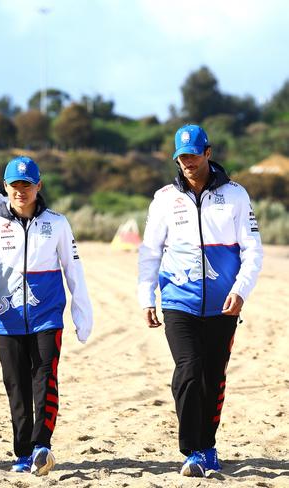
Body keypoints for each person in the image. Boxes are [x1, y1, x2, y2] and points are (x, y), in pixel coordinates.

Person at [138, 124, 263, 477]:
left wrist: (240, 290)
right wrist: (146, 295)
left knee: (212, 377)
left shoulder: (236, 195)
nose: (187, 162)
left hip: (224, 304)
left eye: (193, 155)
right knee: (188, 371)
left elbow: (252, 250)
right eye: (181, 157)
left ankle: (206, 446)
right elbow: (149, 252)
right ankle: (191, 448)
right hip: (179, 300)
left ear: (208, 153)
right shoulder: (164, 198)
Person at [0, 156, 93, 476]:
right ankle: (22, 451)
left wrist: (82, 314)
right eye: (15, 185)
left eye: (27, 185)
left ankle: (42, 445)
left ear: (39, 186)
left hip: (47, 315)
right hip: (8, 317)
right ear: (6, 186)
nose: (20, 192)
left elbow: (73, 270)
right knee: (16, 385)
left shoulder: (58, 223)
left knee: (44, 377)